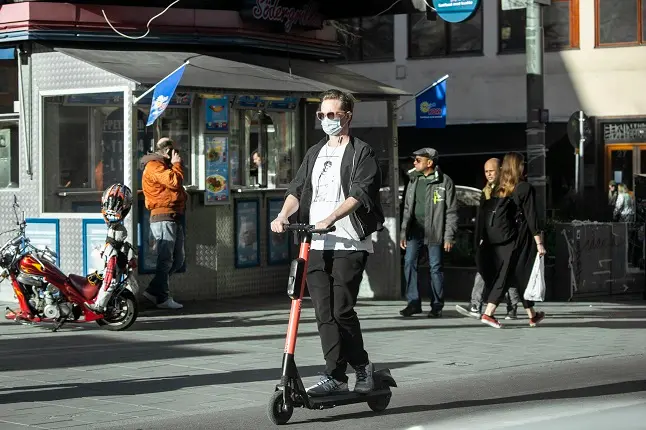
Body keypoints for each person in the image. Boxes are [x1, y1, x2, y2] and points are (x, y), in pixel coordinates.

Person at [270, 89, 384, 397]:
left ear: (347, 116)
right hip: (316, 243)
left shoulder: (362, 152)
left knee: (341, 310)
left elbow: (360, 193)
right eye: (322, 114)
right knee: (323, 313)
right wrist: (282, 215)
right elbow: (297, 189)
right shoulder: (315, 152)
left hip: (348, 242)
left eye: (333, 114)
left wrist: (330, 218)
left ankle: (362, 366)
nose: (326, 119)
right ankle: (335, 375)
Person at [477, 152, 546, 329]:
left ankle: (532, 315)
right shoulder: (524, 188)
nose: (524, 166)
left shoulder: (501, 188)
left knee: (519, 275)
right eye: (522, 164)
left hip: (503, 238)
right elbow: (532, 217)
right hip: (521, 239)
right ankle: (488, 313)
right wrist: (539, 243)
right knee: (508, 275)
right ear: (518, 166)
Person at [456, 158, 521, 320]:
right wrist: (479, 237)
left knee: (506, 273)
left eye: (492, 171)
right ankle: (475, 305)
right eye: (486, 171)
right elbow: (482, 217)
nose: (489, 174)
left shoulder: (508, 189)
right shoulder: (486, 191)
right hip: (489, 239)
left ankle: (512, 306)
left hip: (504, 238)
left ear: (500, 170)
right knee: (483, 270)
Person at [399, 148, 458, 318]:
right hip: (415, 230)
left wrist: (449, 236)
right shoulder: (413, 179)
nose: (414, 163)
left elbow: (451, 211)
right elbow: (407, 209)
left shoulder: (444, 181)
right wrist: (403, 232)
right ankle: (413, 303)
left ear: (429, 163)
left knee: (435, 267)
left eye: (418, 160)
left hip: (435, 231)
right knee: (409, 262)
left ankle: (436, 305)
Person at [140, 137, 186, 310]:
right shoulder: (154, 166)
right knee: (165, 258)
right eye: (174, 151)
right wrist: (177, 164)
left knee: (178, 259)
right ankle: (162, 298)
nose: (177, 154)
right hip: (162, 215)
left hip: (174, 215)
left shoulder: (163, 166)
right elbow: (174, 182)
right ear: (167, 151)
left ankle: (154, 290)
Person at [84, 183, 137, 312]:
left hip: (113, 256)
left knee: (110, 281)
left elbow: (114, 249)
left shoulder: (117, 230)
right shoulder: (116, 228)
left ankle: (99, 306)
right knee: (104, 278)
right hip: (113, 255)